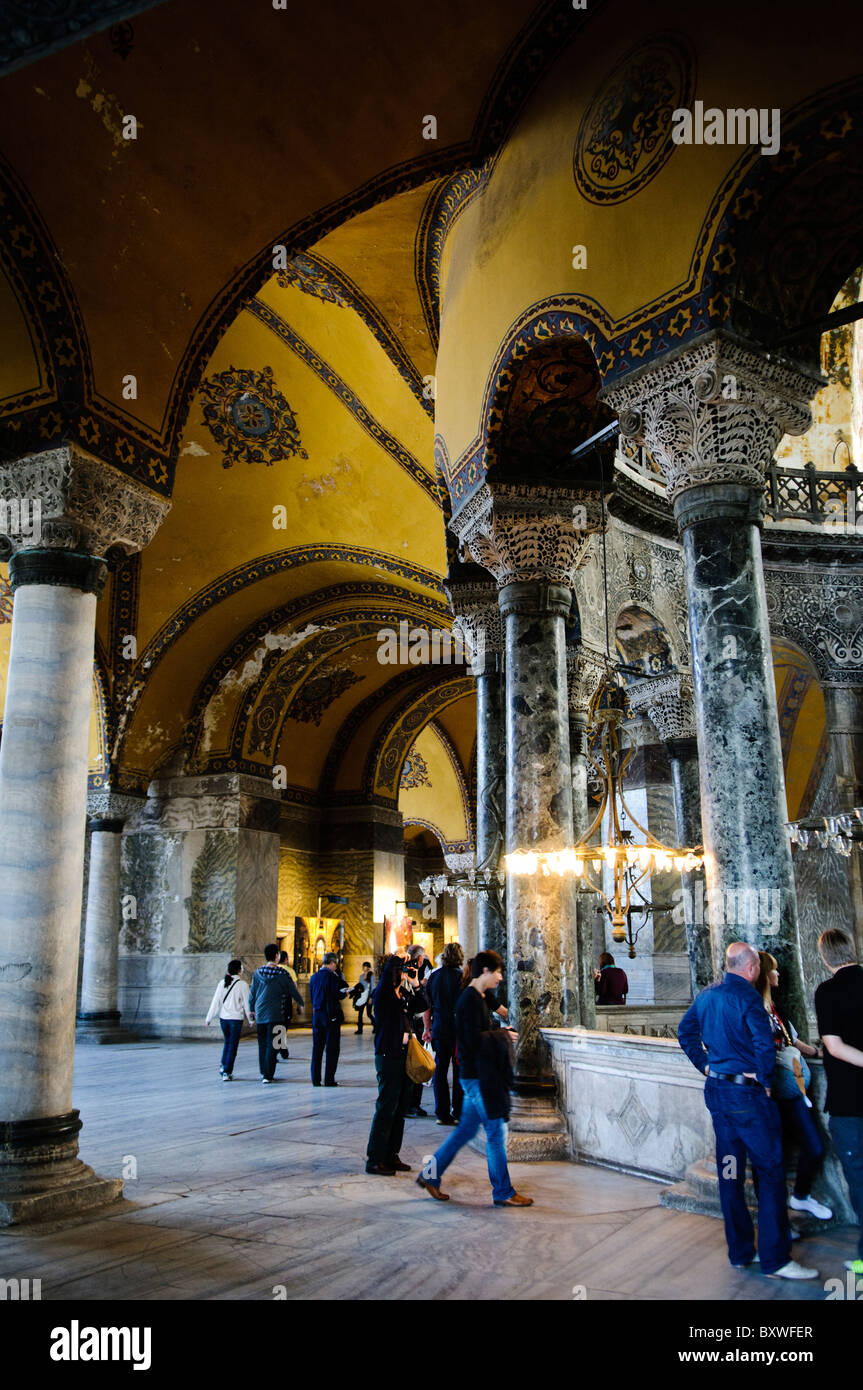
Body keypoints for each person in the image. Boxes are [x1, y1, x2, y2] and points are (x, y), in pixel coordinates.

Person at [677, 941, 817, 1279]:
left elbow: (686, 1032)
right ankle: (776, 1259)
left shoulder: (707, 995)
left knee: (730, 1174)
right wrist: (766, 1080)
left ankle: (740, 1252)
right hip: (749, 1102)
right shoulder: (750, 998)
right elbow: (762, 1044)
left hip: (719, 1098)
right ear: (751, 968)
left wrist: (707, 1066)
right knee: (770, 1173)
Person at [416, 950, 532, 1207]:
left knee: (465, 1131)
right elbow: (470, 1042)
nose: (501, 978)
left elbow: (480, 1032)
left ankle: (430, 1175)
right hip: (476, 1077)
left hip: (476, 1075)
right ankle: (503, 1191)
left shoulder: (478, 997)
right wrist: (502, 1037)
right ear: (486, 972)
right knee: (495, 1132)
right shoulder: (468, 1000)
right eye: (498, 972)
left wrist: (499, 1031)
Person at [756, 951, 831, 1221]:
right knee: (774, 1158)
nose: (778, 974)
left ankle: (800, 1197)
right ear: (764, 974)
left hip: (791, 1092)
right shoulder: (754, 1008)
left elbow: (793, 1041)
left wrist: (819, 1052)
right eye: (774, 970)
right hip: (769, 1094)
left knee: (813, 1146)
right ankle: (777, 1225)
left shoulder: (775, 1007)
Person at [815, 927, 863, 1278]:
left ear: (824, 957)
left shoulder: (828, 991)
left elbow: (834, 1046)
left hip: (849, 1102)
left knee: (860, 1179)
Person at [365, 954, 414, 1175]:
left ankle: (392, 1154)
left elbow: (423, 1004)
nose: (404, 973)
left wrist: (414, 984)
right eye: (401, 970)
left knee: (400, 1106)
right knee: (386, 1107)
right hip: (387, 1054)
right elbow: (390, 1016)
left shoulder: (401, 992)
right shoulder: (383, 992)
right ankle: (375, 1158)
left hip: (403, 1053)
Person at [425, 941, 464, 1125]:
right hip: (456, 1030)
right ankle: (457, 1111)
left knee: (440, 1070)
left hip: (439, 1027)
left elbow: (427, 1007)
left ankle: (441, 1113)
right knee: (458, 1070)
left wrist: (427, 1028)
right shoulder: (462, 977)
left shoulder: (434, 976)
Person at [249, 944, 294, 1084]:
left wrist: (251, 1009)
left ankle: (263, 1072)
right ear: (277, 956)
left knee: (262, 1044)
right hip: (277, 1014)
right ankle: (268, 1075)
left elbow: (253, 993)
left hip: (261, 1013)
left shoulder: (258, 973)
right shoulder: (283, 973)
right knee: (274, 1044)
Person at [205, 958, 252, 1081]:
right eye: (241, 968)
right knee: (233, 1046)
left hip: (224, 1019)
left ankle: (223, 1065)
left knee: (227, 1042)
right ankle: (227, 1071)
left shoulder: (222, 983)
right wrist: (251, 1019)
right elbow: (247, 1004)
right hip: (235, 1020)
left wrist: (209, 1018)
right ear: (239, 970)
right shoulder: (243, 985)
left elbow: (216, 1002)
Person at [309, 952, 348, 1086]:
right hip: (331, 1016)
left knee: (317, 1048)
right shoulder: (332, 977)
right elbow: (339, 994)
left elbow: (311, 996)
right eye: (335, 964)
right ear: (332, 963)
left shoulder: (314, 977)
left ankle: (315, 1079)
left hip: (317, 1015)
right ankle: (329, 1079)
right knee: (332, 1048)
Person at [403, 944, 432, 1118]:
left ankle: (409, 1103)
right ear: (420, 959)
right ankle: (412, 1103)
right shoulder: (413, 974)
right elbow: (421, 1003)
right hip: (413, 1024)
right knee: (417, 1062)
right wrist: (420, 986)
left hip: (409, 1025)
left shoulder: (404, 971)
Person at [275, 949, 304, 1059]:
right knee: (283, 1027)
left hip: (275, 1002)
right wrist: (299, 1005)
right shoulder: (290, 971)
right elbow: (295, 990)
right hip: (286, 1002)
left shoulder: (275, 969)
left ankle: (280, 1049)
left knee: (278, 1027)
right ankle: (281, 1049)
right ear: (286, 959)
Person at [353, 961, 375, 1034]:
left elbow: (372, 987)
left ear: (368, 967)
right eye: (363, 966)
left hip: (368, 997)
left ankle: (375, 1025)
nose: (363, 968)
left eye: (365, 966)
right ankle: (360, 1029)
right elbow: (360, 986)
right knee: (360, 1013)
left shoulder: (371, 976)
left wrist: (371, 998)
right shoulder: (361, 976)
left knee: (369, 1013)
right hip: (362, 997)